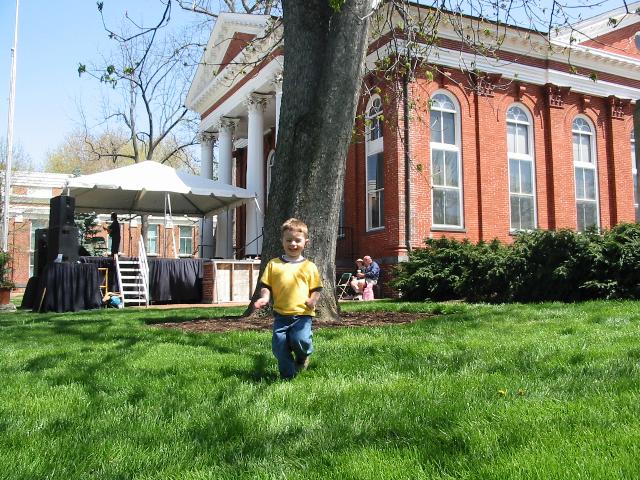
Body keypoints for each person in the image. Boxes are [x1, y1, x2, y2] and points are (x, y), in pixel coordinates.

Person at [254, 218, 323, 379]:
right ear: (282, 241)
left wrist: (313, 300)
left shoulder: (309, 266)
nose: (293, 244)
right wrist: (265, 298)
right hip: (281, 315)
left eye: (297, 240)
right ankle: (288, 376)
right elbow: (266, 285)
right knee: (279, 347)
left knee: (301, 341)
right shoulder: (274, 264)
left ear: (306, 242)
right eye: (289, 240)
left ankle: (302, 356)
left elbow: (316, 289)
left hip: (303, 314)